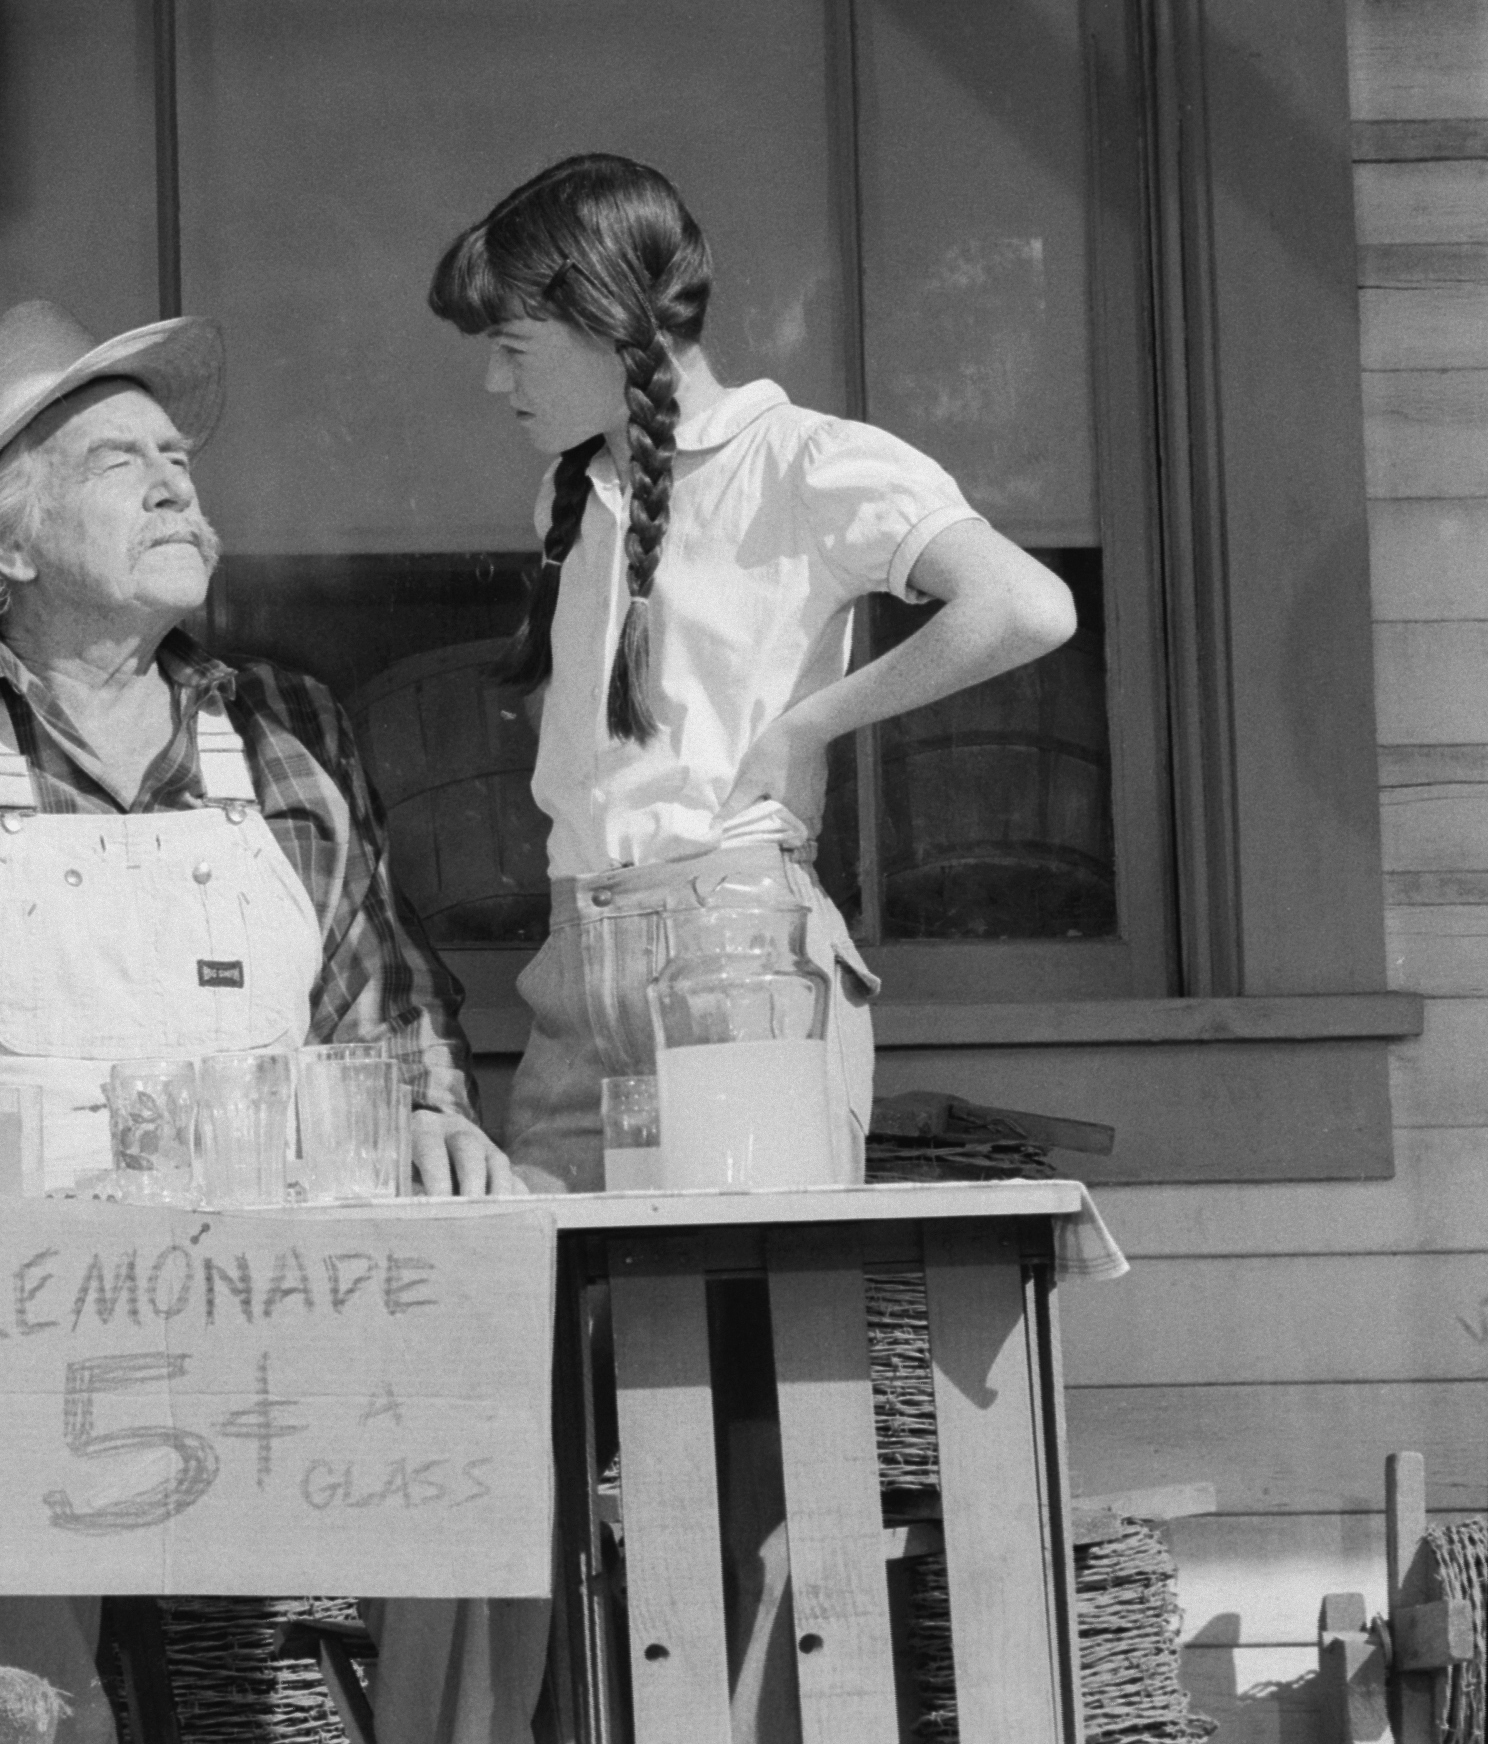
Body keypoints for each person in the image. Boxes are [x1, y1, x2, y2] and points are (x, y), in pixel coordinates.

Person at [0, 299, 517, 1744]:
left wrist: (431, 1118)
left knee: (482, 1374)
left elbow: (385, 995)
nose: (177, 482)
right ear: (3, 540)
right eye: (119, 460)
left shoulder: (288, 724)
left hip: (280, 1315)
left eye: (178, 456)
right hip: (7, 1322)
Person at [421, 154, 1077, 1737]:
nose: (495, 376)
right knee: (540, 1386)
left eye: (514, 339)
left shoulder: (807, 460)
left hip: (734, 959)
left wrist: (818, 723)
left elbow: (1026, 606)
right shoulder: (575, 487)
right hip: (585, 970)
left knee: (747, 1411)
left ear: (600, 314)